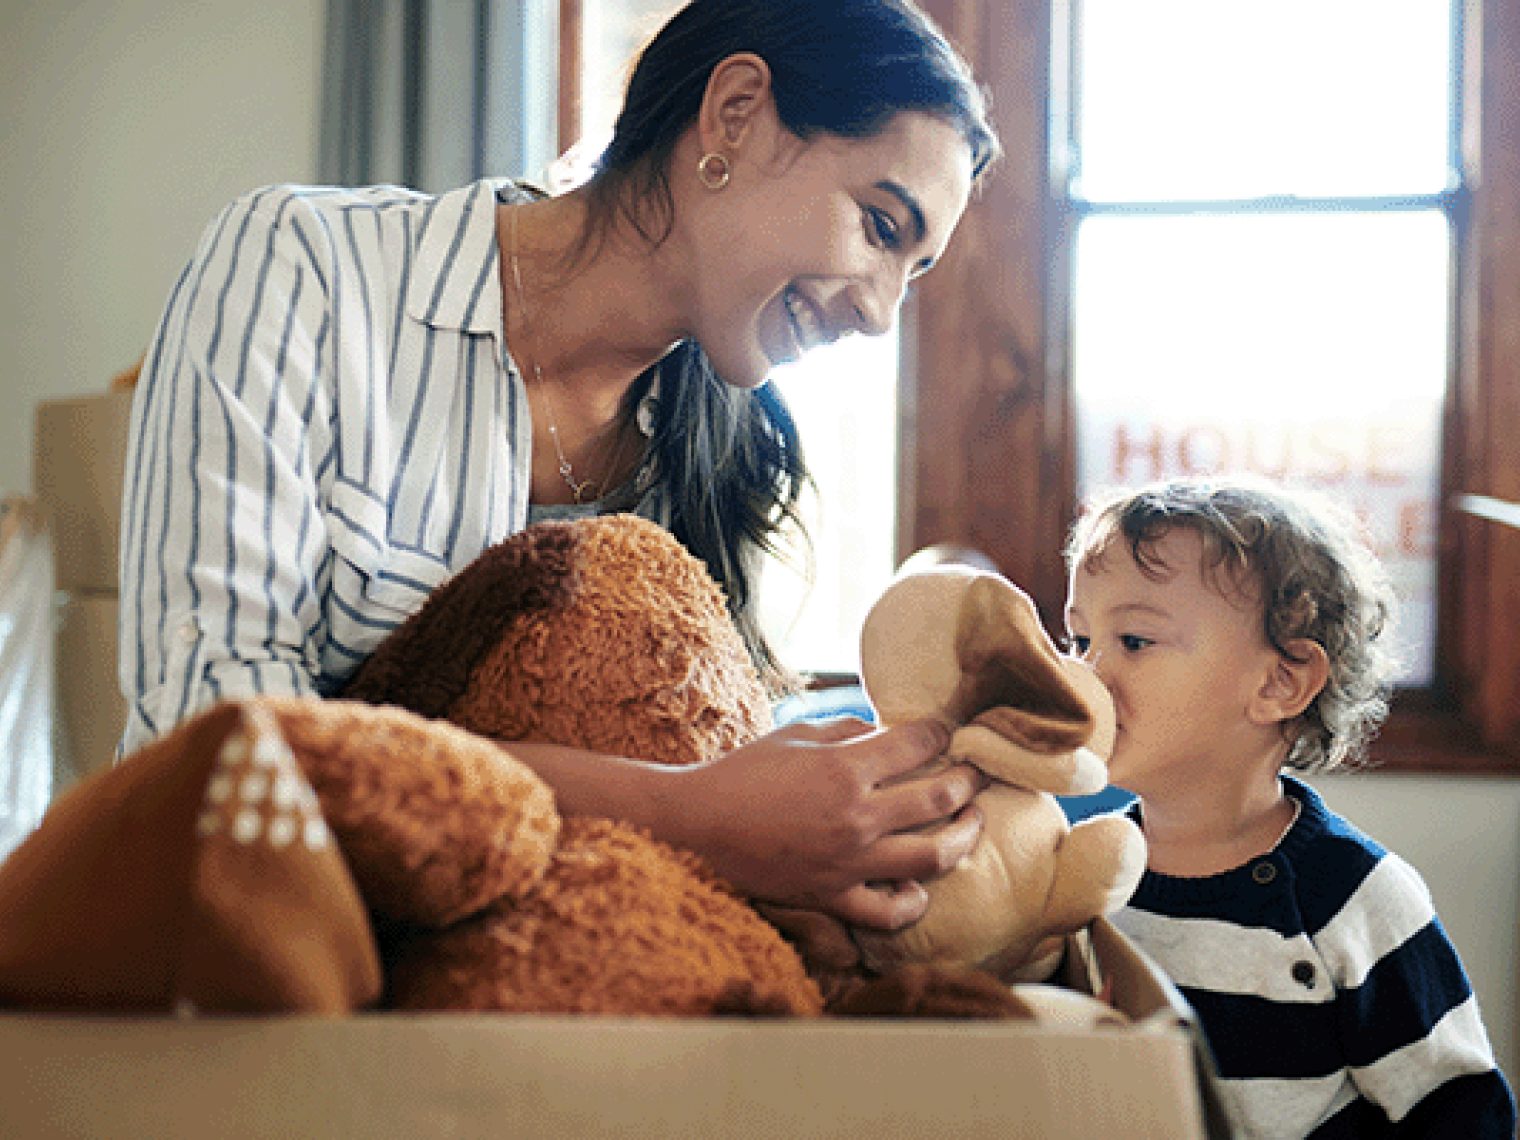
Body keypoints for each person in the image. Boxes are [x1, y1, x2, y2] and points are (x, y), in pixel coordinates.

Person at [117, 0, 1002, 949]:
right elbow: (215, 742)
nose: (878, 315)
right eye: (879, 226)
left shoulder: (723, 456)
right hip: (238, 968)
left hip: (532, 995)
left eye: (913, 273)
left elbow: (695, 754)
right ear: (734, 114)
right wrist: (693, 812)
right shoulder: (305, 268)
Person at [1062, 475, 1515, 1137]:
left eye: (1132, 641)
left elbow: (1462, 1111)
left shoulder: (1353, 895)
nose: (1085, 673)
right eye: (1078, 641)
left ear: (1279, 683)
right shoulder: (1086, 875)